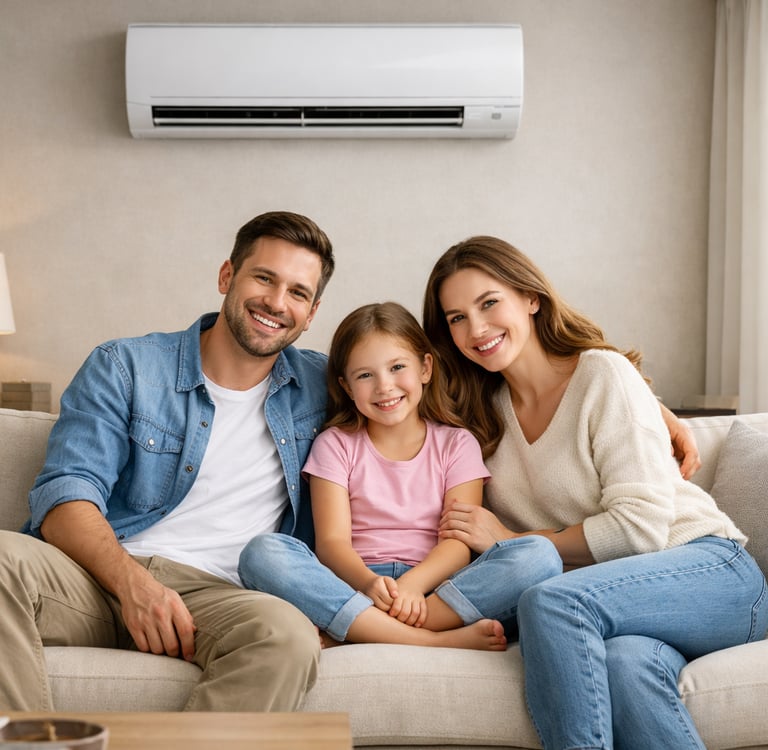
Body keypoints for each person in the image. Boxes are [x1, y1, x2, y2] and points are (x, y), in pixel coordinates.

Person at [422, 235, 768, 750]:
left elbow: (640, 527)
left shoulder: (602, 374)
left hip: (710, 572)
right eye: (455, 318)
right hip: (623, 610)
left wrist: (515, 538)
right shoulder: (478, 416)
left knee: (552, 602)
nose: (476, 329)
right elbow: (385, 385)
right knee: (626, 667)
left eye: (489, 302)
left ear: (531, 297)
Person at [0, 210, 336, 712]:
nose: (276, 302)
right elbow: (65, 493)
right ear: (227, 276)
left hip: (221, 597)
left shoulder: (326, 386)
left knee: (286, 635)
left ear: (311, 315)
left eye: (298, 292)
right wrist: (133, 584)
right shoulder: (126, 365)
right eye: (264, 277)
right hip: (94, 577)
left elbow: (419, 404)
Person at [240, 301, 557, 650]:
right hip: (353, 585)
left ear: (425, 367)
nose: (384, 386)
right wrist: (370, 585)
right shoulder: (335, 444)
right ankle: (428, 639)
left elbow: (456, 543)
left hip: (436, 588)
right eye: (365, 375)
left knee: (538, 555)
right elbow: (332, 544)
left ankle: (363, 629)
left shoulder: (456, 443)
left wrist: (411, 587)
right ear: (346, 387)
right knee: (263, 554)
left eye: (397, 367)